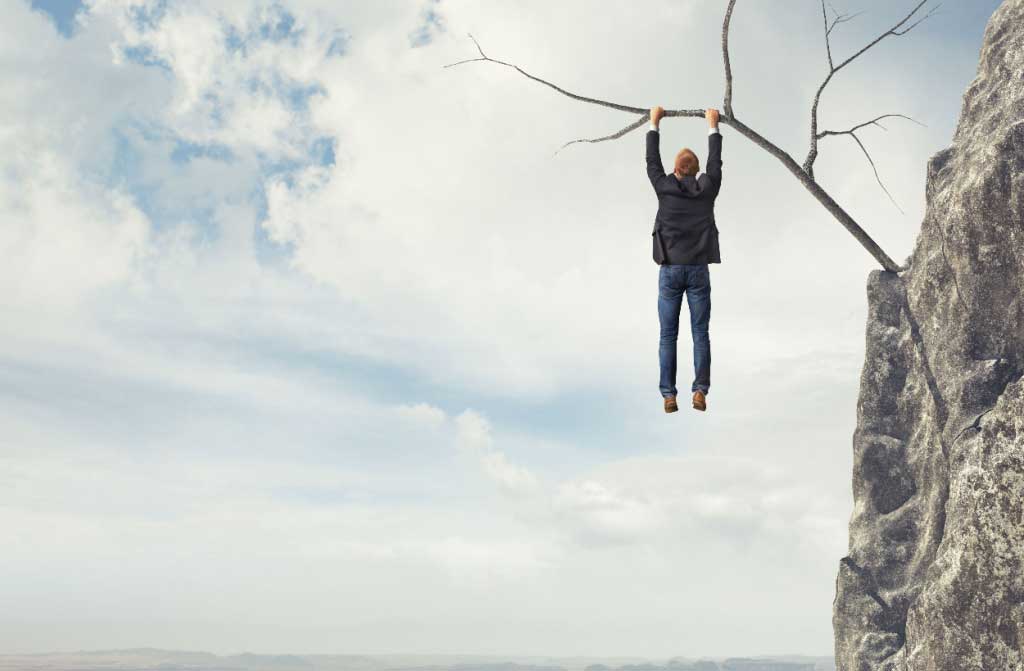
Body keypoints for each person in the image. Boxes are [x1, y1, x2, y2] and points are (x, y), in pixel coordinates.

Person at [646, 106, 723, 413]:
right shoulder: (707, 189)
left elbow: (652, 161)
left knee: (668, 335)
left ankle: (668, 395)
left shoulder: (664, 188)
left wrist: (654, 122)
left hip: (670, 270)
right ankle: (700, 390)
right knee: (700, 333)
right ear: (696, 171)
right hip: (698, 272)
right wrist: (713, 126)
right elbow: (715, 165)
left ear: (676, 171)